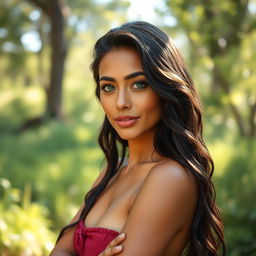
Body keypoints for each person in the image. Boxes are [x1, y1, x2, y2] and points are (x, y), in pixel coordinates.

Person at [50, 21, 226, 256]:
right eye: (109, 87)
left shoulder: (170, 178)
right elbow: (59, 251)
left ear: (166, 88)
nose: (121, 102)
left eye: (138, 84)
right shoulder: (112, 172)